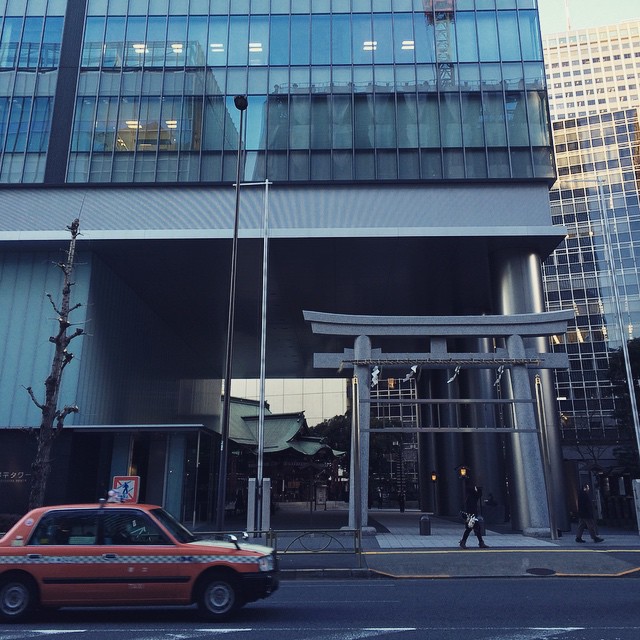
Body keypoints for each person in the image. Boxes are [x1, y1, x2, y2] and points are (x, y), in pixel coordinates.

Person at [459, 484, 488, 549]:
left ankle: (480, 542)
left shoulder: (469, 497)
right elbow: (479, 495)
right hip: (471, 516)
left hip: (470, 515)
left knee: (475, 529)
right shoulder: (472, 497)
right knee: (473, 528)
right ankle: (464, 542)